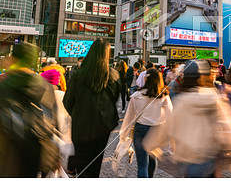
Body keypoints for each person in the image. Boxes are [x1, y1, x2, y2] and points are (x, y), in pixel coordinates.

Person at [142, 60, 231, 178]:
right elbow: (228, 123)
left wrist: (151, 145)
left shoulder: (181, 101)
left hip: (186, 160)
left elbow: (167, 126)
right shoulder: (213, 97)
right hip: (209, 159)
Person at [63, 39, 121, 178]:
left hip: (81, 127)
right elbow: (114, 101)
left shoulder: (78, 74)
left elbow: (67, 102)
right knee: (96, 165)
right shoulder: (114, 75)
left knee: (82, 165)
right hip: (103, 128)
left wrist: (78, 113)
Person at [0, 42, 59, 177]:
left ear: (14, 60)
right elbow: (53, 122)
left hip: (6, 157)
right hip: (34, 155)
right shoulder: (46, 87)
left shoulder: (4, 86)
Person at [119, 68, 173, 178]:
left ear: (146, 79)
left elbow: (129, 117)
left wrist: (123, 135)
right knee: (153, 160)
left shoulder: (137, 95)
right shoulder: (163, 95)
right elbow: (170, 115)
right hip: (157, 130)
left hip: (141, 130)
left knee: (142, 165)